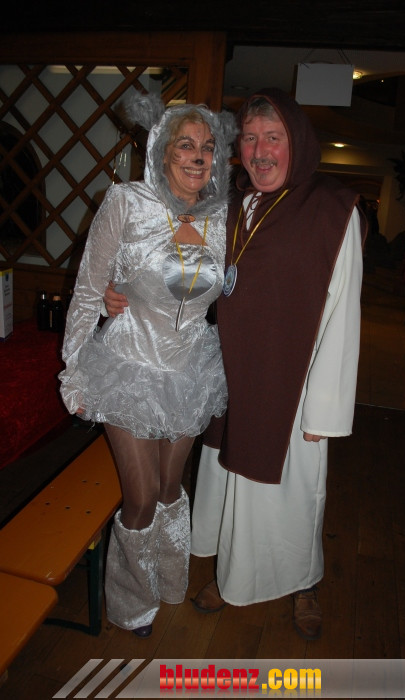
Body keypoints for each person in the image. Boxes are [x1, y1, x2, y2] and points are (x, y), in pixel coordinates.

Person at [104, 87, 367, 641]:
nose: (260, 151)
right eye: (249, 138)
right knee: (231, 489)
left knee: (292, 495)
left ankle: (303, 582)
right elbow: (176, 266)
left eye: (274, 138)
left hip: (293, 388)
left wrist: (323, 408)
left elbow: (344, 315)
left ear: (297, 142)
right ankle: (233, 576)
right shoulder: (231, 204)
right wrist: (116, 291)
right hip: (232, 376)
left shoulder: (332, 209)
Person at [59, 91, 237, 638]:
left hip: (190, 370)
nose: (198, 156)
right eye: (185, 144)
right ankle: (131, 602)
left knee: (168, 488)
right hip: (129, 364)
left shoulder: (223, 216)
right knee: (138, 499)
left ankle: (168, 578)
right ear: (161, 151)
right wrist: (73, 368)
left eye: (207, 146)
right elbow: (88, 289)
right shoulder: (127, 201)